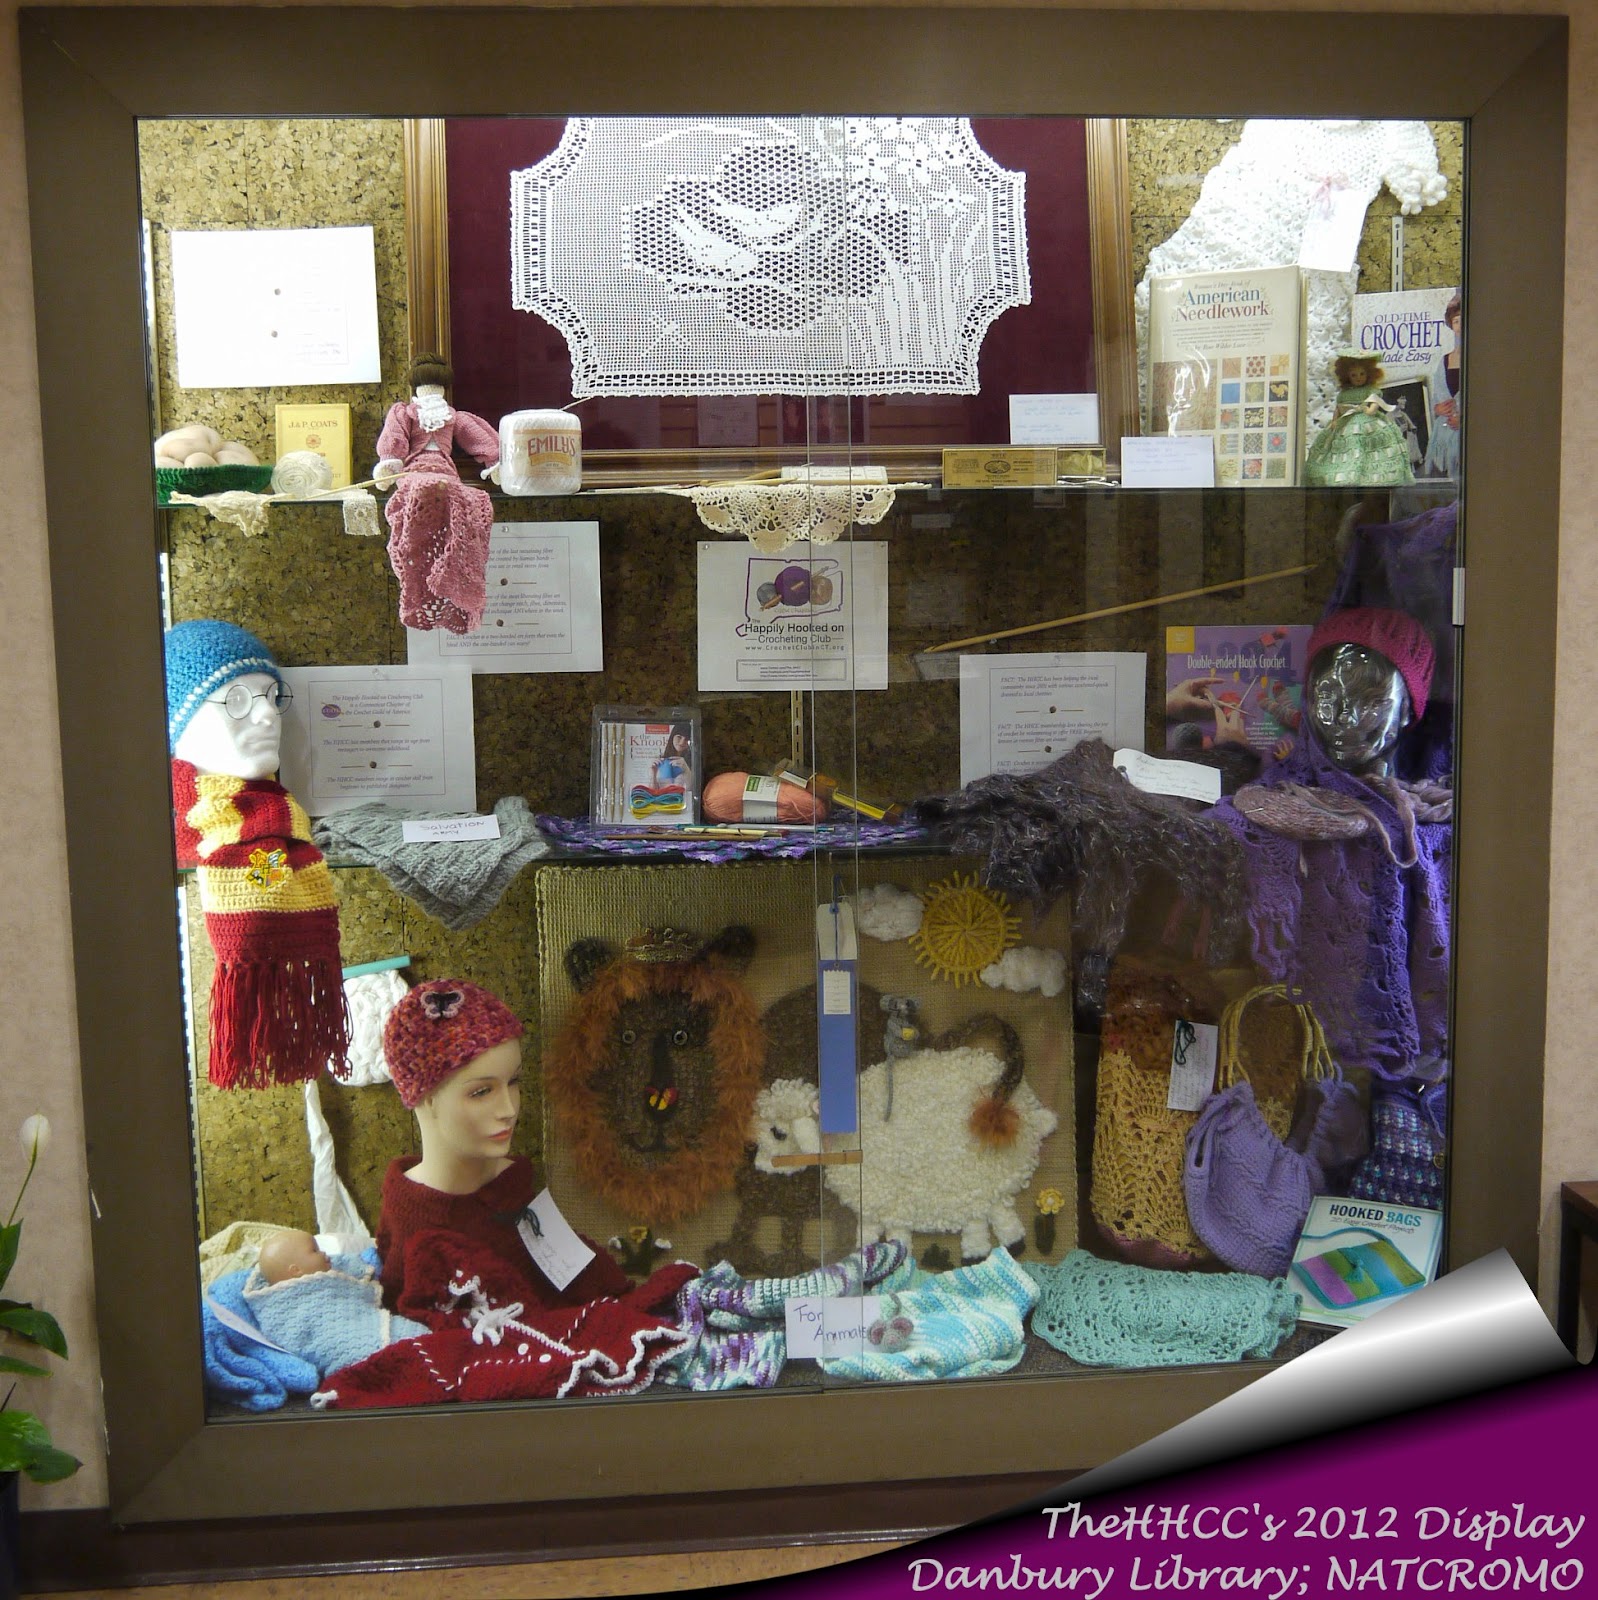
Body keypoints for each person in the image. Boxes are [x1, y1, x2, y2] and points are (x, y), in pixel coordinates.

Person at [374, 979, 629, 1320]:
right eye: (481, 1092)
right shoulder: (413, 1222)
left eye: (513, 1082)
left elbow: (578, 1274)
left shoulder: (512, 1189)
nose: (509, 1108)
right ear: (426, 1097)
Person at [375, 353, 502, 633]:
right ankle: (431, 573)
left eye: (436, 386)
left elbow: (477, 438)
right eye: (426, 386)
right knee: (420, 488)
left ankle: (449, 570)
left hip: (445, 470)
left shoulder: (454, 417)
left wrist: (494, 462)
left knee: (463, 497)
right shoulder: (405, 413)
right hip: (414, 469)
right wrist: (388, 462)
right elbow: (393, 437)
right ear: (416, 388)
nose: (431, 391)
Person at [1423, 293, 1462, 479]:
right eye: (1456, 321)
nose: (1460, 326)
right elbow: (1435, 400)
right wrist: (1437, 409)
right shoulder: (1445, 360)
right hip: (1444, 437)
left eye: (1463, 320)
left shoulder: (1483, 361)